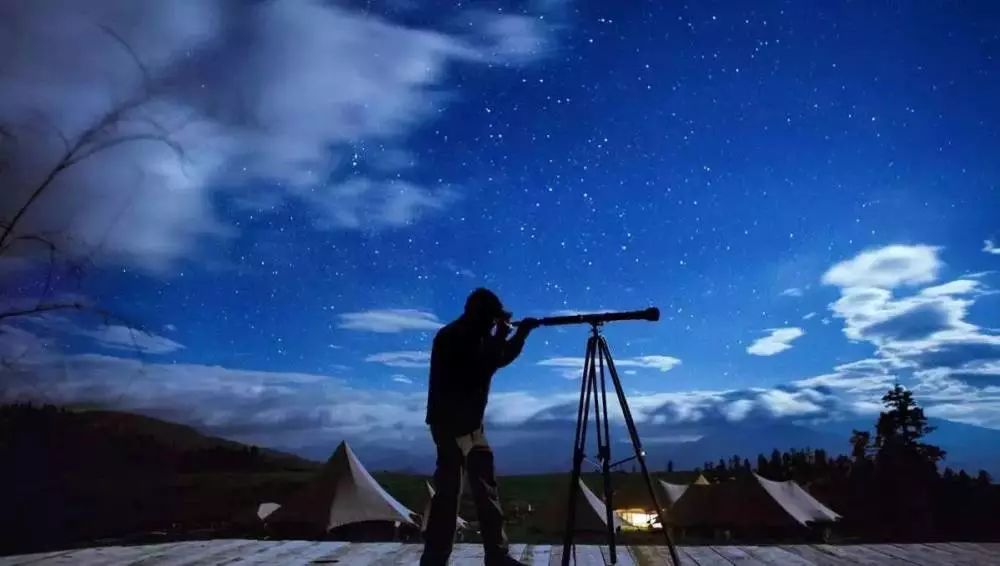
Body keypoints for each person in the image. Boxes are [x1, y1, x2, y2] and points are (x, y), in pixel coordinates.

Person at [421, 288, 539, 566]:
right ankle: (436, 558)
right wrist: (503, 333)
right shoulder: (454, 337)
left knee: (486, 492)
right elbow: (484, 366)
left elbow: (498, 358)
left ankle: (496, 554)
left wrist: (518, 335)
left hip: (472, 427)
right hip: (451, 428)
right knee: (449, 496)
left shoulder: (476, 335)